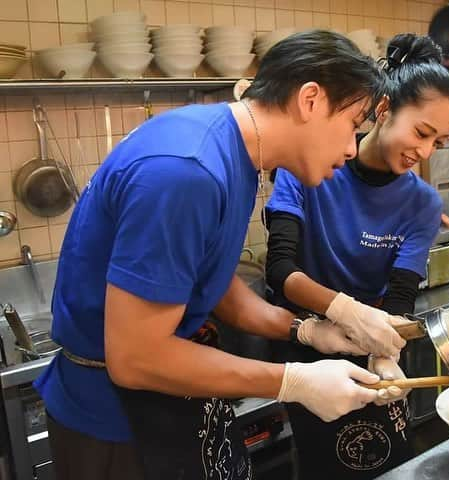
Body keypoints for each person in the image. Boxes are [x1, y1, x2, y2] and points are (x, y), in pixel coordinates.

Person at [33, 30, 406, 480]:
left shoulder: (237, 153)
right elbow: (136, 359)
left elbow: (209, 280)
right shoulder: (188, 171)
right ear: (310, 100)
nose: (351, 149)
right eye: (353, 125)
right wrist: (293, 381)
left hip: (166, 403)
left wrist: (305, 330)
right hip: (118, 425)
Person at [264, 33, 449, 479]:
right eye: (422, 132)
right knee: (323, 465)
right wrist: (339, 310)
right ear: (383, 109)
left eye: (439, 142)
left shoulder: (423, 203)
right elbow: (280, 270)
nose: (425, 152)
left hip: (376, 341)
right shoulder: (308, 166)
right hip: (308, 338)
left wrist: (385, 352)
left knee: (387, 459)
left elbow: (400, 294)